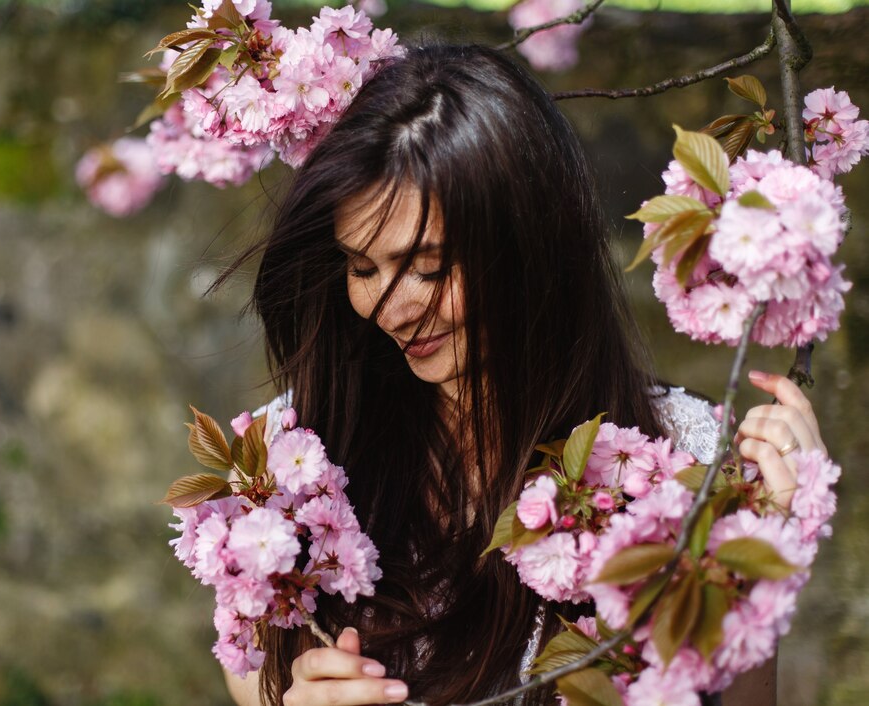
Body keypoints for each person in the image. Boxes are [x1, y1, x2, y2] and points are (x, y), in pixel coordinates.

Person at [214, 43, 828, 706]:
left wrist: (763, 540)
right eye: (363, 269)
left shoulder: (687, 465)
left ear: (532, 248)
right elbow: (252, 671)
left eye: (430, 267)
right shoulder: (290, 465)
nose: (392, 309)